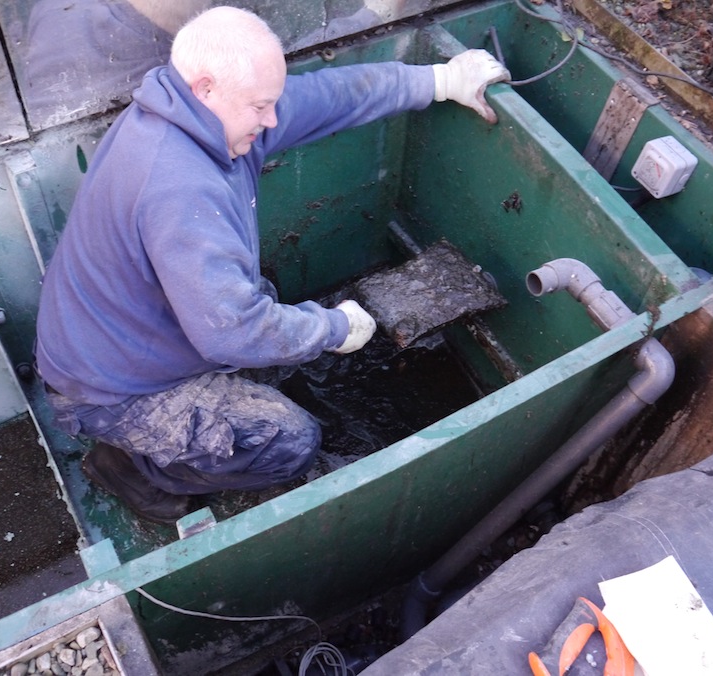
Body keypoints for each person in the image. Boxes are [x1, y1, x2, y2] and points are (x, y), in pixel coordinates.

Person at [34, 6, 510, 525]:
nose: (273, 121)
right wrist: (333, 326)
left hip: (131, 336)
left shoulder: (191, 112)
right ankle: (132, 465)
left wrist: (439, 80)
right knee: (288, 441)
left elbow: (328, 98)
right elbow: (232, 333)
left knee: (265, 297)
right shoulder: (178, 186)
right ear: (207, 88)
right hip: (112, 390)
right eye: (260, 106)